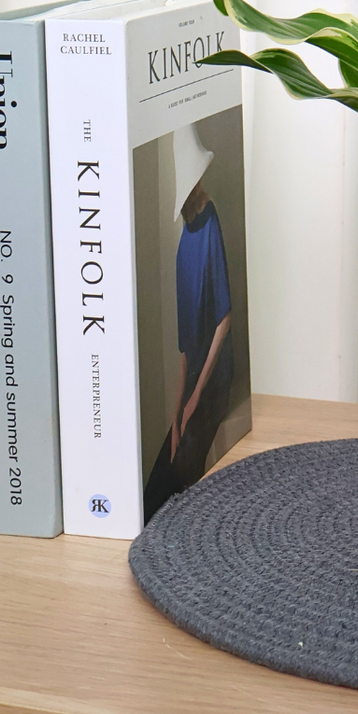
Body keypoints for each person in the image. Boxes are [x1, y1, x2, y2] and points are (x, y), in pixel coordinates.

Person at [143, 124, 234, 522]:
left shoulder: (211, 224)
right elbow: (184, 348)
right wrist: (178, 410)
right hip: (194, 375)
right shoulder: (183, 250)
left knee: (183, 472)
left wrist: (197, 397)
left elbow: (224, 320)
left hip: (216, 374)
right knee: (166, 460)